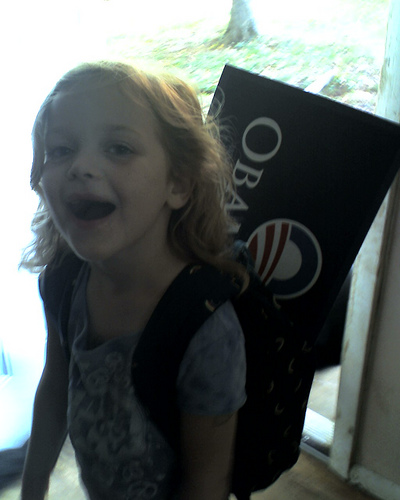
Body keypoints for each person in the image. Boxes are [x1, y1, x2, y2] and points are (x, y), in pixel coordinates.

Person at [20, 61, 247, 500]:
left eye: (119, 148)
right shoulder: (64, 281)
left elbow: (207, 481)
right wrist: (32, 487)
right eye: (61, 149)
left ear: (178, 183)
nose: (81, 166)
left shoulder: (205, 328)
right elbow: (56, 384)